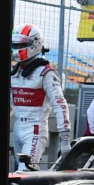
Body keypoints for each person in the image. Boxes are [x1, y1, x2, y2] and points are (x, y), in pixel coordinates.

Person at [11, 24, 70, 170]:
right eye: (14, 45)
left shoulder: (46, 72)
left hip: (35, 129)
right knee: (17, 175)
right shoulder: (14, 72)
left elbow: (60, 104)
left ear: (35, 44)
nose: (17, 48)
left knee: (23, 173)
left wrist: (65, 140)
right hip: (17, 128)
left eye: (21, 44)